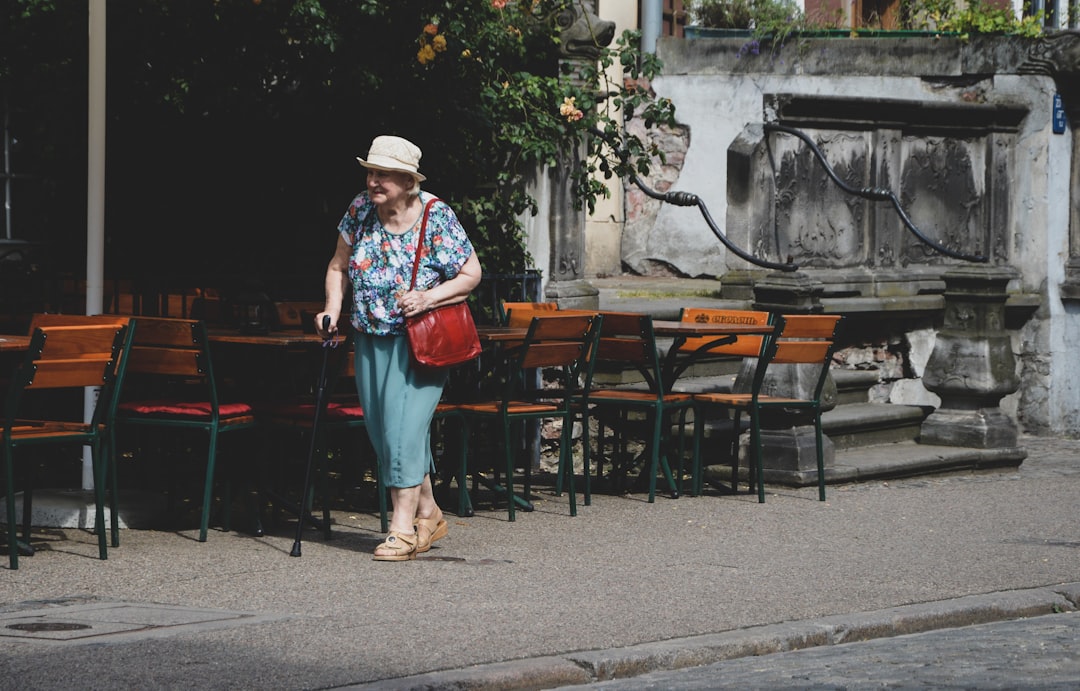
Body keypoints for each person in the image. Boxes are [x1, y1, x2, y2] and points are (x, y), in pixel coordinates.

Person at [316, 135, 482, 561]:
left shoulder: (435, 214)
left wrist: (428, 297)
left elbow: (470, 274)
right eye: (371, 172)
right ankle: (429, 512)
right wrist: (332, 309)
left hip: (420, 342)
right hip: (370, 337)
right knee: (384, 434)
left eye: (383, 174)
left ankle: (401, 528)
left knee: (404, 431)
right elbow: (338, 266)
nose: (373, 181)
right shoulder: (359, 210)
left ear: (408, 181)